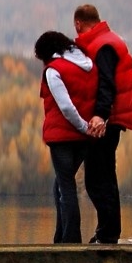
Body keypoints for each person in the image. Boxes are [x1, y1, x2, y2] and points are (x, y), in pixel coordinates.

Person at [73, 4, 132, 243]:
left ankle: (108, 234)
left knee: (96, 178)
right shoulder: (108, 40)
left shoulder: (103, 46)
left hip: (106, 122)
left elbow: (106, 84)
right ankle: (108, 232)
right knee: (105, 176)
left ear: (79, 24)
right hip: (111, 120)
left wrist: (100, 116)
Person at [34, 31, 99, 244]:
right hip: (84, 139)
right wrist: (87, 129)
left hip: (63, 136)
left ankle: (71, 240)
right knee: (60, 185)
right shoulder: (88, 64)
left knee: (66, 186)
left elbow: (65, 106)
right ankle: (61, 237)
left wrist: (82, 126)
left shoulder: (54, 70)